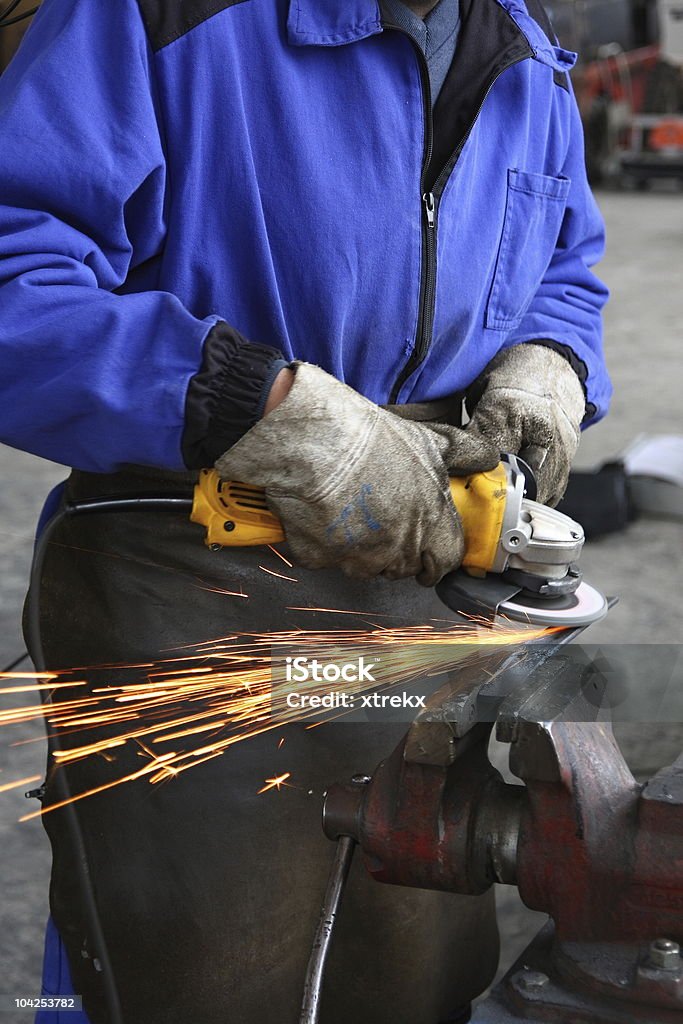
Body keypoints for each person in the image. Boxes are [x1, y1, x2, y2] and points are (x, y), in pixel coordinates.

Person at [0, 0, 610, 1021]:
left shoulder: (524, 44)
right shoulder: (151, 15)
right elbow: (16, 282)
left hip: (426, 595)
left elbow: (563, 261)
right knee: (199, 976)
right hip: (190, 582)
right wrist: (257, 409)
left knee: (416, 966)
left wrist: (551, 360)